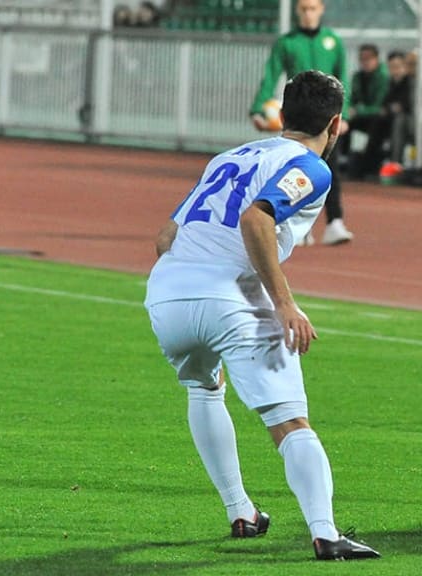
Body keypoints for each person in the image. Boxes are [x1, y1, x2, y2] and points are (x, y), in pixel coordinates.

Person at [145, 70, 380, 561]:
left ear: (282, 115)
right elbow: (256, 217)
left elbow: (166, 236)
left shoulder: (228, 157)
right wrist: (284, 303)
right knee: (288, 421)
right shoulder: (312, 167)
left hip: (166, 293)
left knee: (204, 388)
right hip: (230, 296)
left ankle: (242, 512)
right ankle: (325, 533)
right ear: (335, 124)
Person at [250, 0, 353, 246]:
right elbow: (271, 75)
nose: (308, 14)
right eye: (304, 9)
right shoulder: (287, 42)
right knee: (295, 170)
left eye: (312, 8)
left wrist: (344, 115)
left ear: (321, 9)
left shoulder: (333, 41)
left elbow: (344, 78)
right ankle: (298, 226)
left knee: (330, 170)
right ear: (297, 11)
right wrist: (258, 108)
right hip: (299, 115)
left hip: (328, 115)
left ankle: (335, 221)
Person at [344, 43, 389, 178]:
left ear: (376, 59)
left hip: (379, 118)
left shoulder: (383, 76)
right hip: (362, 116)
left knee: (376, 126)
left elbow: (379, 106)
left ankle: (368, 167)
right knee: (345, 125)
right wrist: (348, 111)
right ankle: (348, 162)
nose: (365, 62)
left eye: (368, 58)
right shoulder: (357, 76)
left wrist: (358, 111)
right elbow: (352, 98)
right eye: (362, 59)